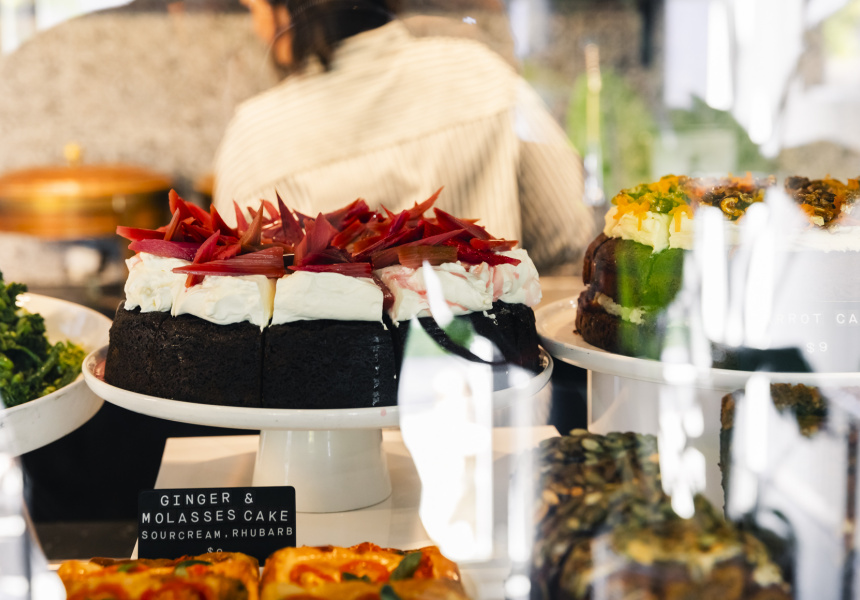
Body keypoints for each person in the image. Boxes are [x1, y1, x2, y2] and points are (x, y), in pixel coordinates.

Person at [213, 0, 594, 272]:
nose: (257, 29)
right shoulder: (481, 74)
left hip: (326, 365)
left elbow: (232, 288)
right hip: (488, 357)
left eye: (255, 8)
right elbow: (565, 230)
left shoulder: (252, 136)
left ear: (289, 9)